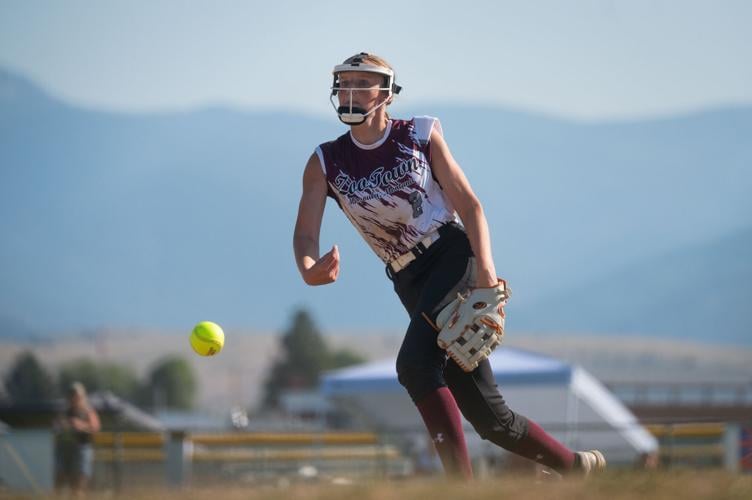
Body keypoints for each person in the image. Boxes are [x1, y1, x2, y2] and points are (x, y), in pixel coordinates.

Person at [293, 52, 606, 479]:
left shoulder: (418, 133)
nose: (349, 91)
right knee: (491, 419)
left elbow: (469, 205)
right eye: (343, 83)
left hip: (452, 257)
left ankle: (459, 487)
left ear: (385, 93)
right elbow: (305, 233)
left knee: (415, 365)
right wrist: (309, 267)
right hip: (407, 279)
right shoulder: (325, 161)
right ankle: (576, 466)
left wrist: (486, 272)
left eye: (360, 83)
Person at [53, 382, 100, 495]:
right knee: (60, 482)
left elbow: (95, 427)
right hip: (65, 450)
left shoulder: (87, 411)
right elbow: (55, 427)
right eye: (71, 394)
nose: (74, 397)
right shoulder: (64, 412)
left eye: (77, 395)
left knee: (78, 486)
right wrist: (62, 425)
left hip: (81, 449)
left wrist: (80, 425)